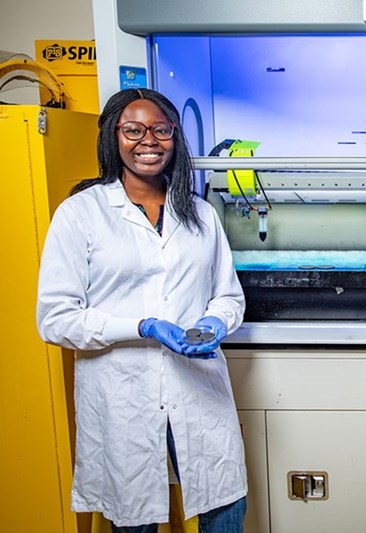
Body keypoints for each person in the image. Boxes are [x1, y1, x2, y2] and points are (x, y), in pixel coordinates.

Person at [36, 88, 247, 531]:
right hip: (122, 393)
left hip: (197, 386)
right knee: (134, 516)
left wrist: (214, 321)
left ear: (175, 138)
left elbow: (228, 296)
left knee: (225, 508)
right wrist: (143, 326)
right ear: (113, 137)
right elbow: (55, 318)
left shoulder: (201, 215)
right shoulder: (81, 215)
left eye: (160, 130)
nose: (148, 141)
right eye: (133, 130)